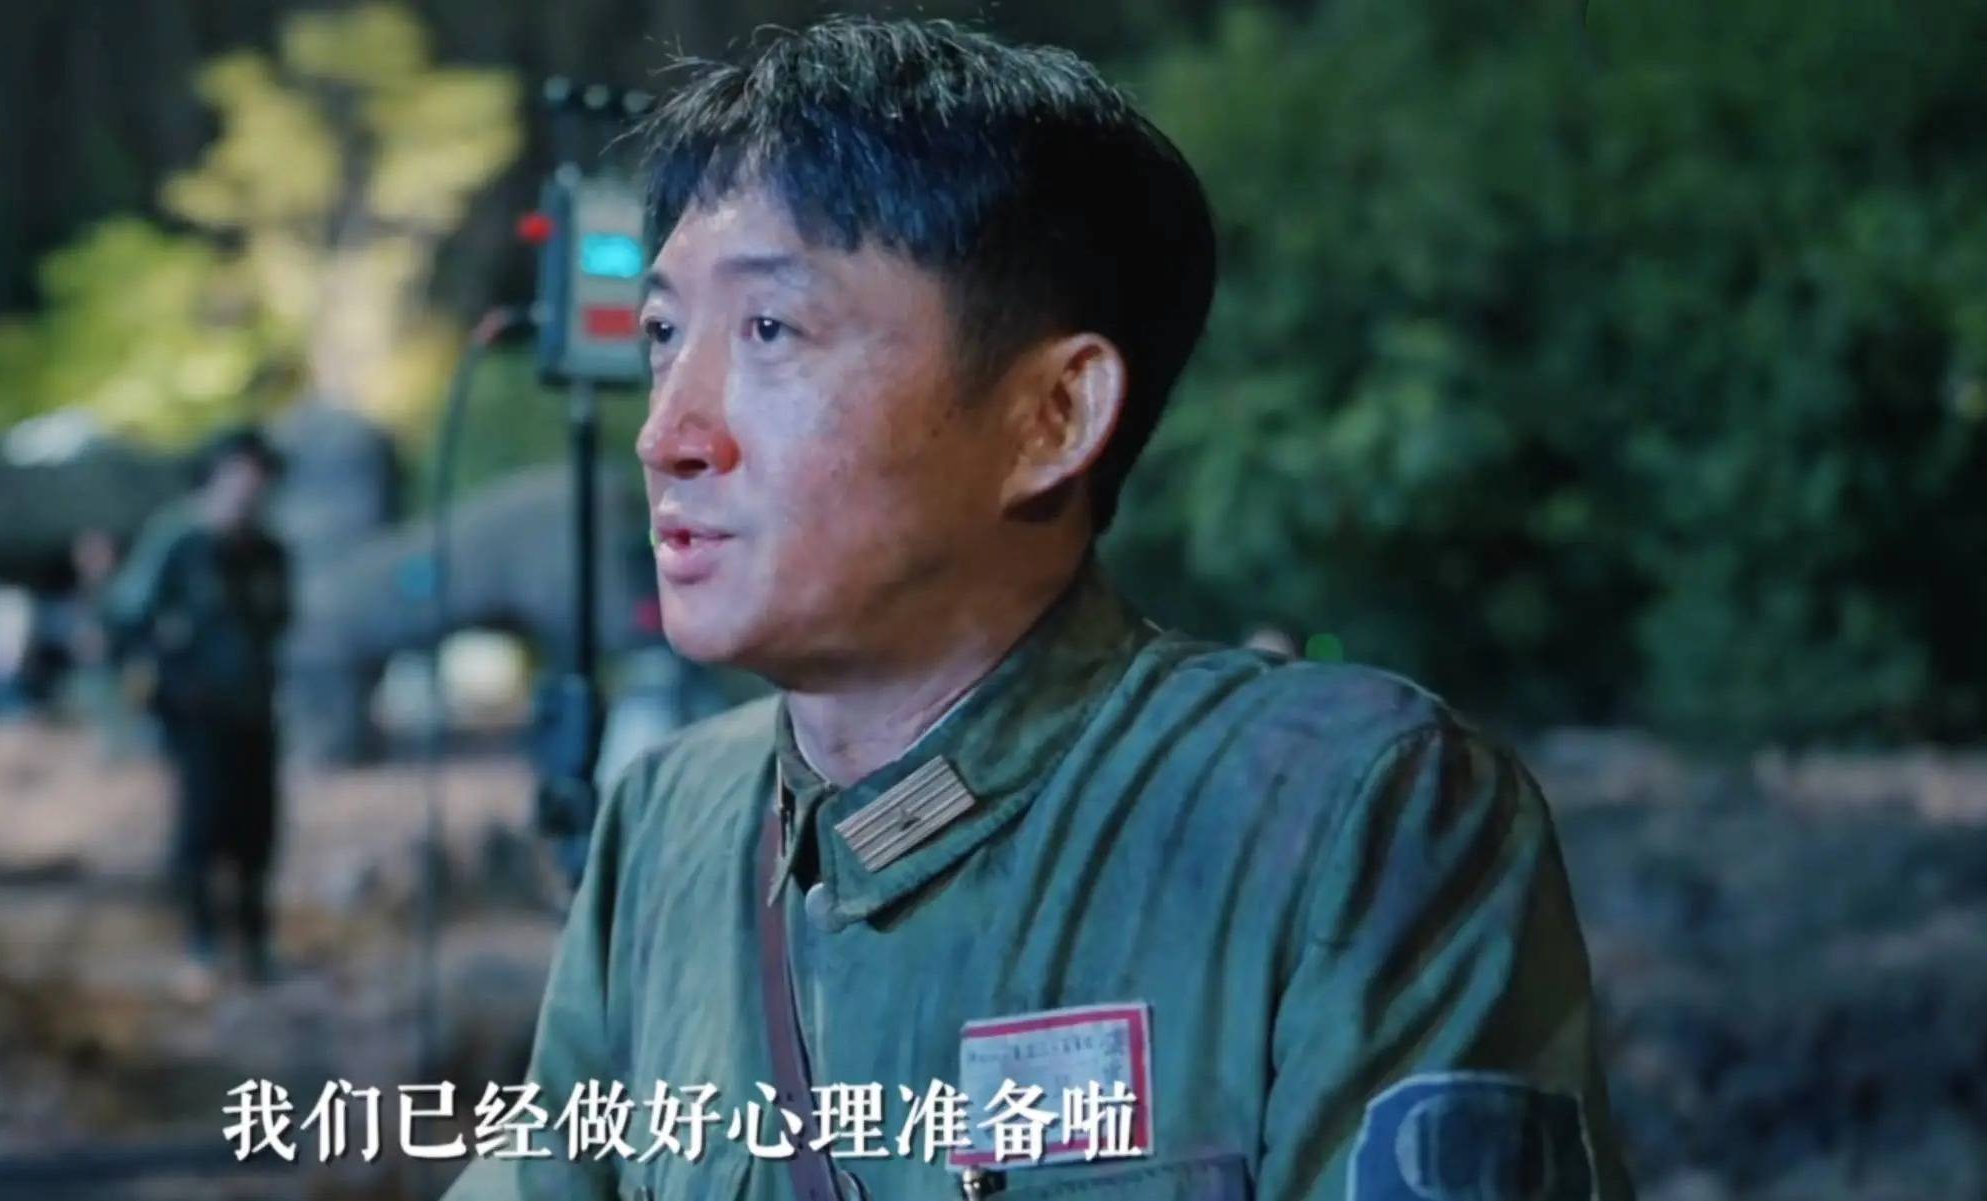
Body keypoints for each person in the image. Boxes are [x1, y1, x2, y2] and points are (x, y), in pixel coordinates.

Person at [445, 19, 1630, 1201]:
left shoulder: (1351, 817)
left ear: (1052, 417)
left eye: (770, 329)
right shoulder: (670, 824)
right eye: (662, 334)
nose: (667, 435)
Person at [109, 426, 292, 987]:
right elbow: (129, 620)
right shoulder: (179, 545)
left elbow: (279, 623)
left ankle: (254, 944)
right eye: (240, 474)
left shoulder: (269, 553)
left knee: (256, 830)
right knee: (202, 828)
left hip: (254, 710)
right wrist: (158, 686)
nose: (248, 488)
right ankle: (202, 943)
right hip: (195, 715)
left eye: (258, 477)